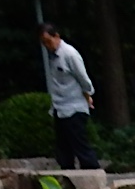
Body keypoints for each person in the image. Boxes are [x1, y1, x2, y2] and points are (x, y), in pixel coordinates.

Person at [38, 22, 99, 169]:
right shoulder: (52, 56)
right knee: (63, 150)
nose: (47, 46)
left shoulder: (70, 54)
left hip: (74, 107)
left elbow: (83, 78)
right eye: (44, 43)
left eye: (48, 41)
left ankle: (93, 174)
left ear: (57, 36)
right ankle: (68, 176)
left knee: (81, 146)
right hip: (59, 107)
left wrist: (88, 94)